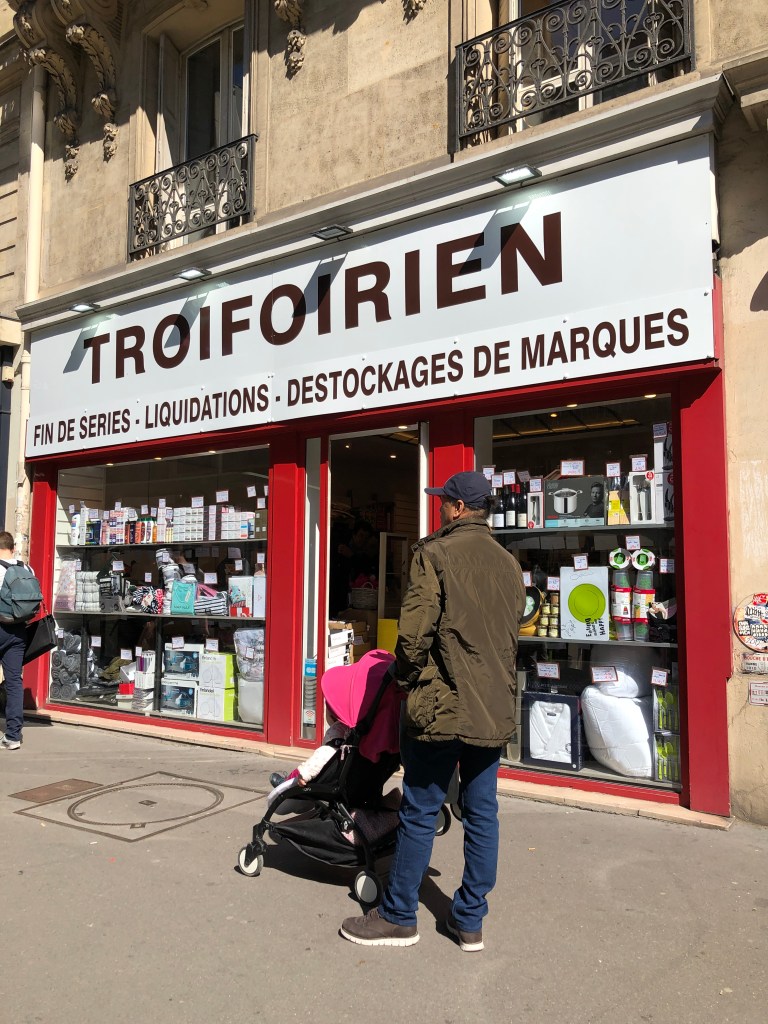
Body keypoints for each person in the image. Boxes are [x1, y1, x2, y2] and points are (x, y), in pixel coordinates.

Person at [340, 471, 525, 951]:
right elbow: (511, 632)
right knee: (482, 813)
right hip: (492, 705)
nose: (440, 508)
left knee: (421, 808)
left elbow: (414, 633)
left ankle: (399, 915)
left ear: (459, 507)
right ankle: (470, 920)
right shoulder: (509, 564)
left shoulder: (435, 554)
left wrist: (404, 681)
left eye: (444, 501)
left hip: (442, 703)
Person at [0, 531, 29, 750]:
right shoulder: (27, 568)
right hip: (19, 630)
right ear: (13, 548)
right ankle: (13, 736)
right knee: (14, 682)